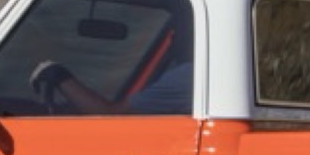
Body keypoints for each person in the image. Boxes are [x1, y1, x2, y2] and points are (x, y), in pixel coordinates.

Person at [30, 36, 193, 115]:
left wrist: (59, 76)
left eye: (178, 29)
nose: (173, 38)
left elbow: (110, 116)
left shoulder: (187, 77)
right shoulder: (189, 74)